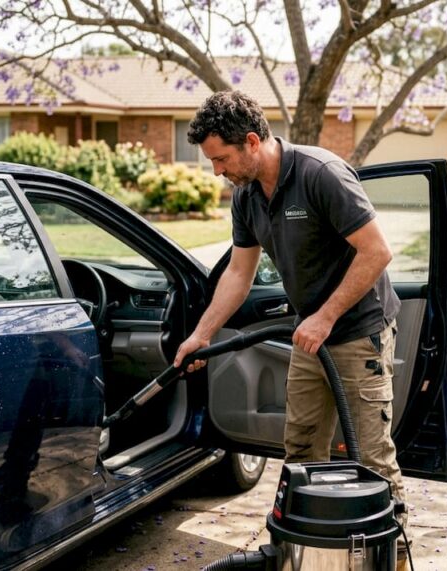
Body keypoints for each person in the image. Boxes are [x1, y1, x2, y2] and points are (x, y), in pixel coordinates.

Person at [174, 90, 408, 526]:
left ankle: (390, 553)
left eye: (220, 159)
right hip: (310, 336)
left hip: (358, 331)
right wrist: (201, 336)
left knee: (372, 459)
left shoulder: (320, 174)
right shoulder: (246, 197)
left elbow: (376, 252)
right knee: (300, 451)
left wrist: (325, 316)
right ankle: (309, 547)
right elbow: (239, 274)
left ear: (250, 141)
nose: (217, 171)